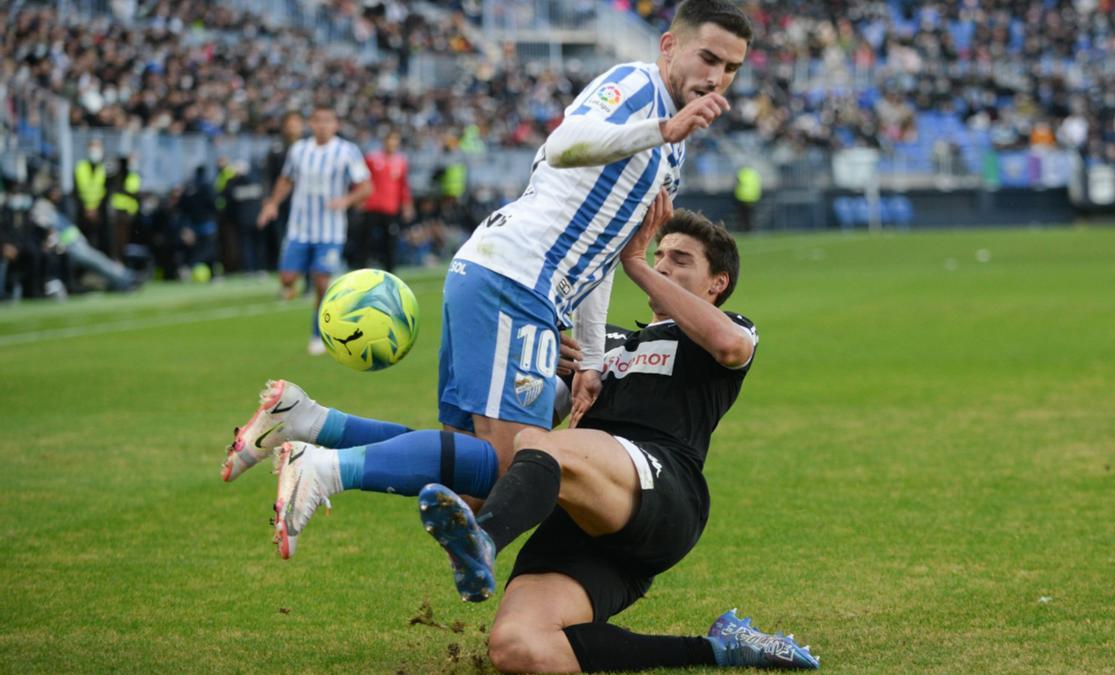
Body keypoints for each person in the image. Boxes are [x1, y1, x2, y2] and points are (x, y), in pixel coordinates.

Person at [224, 0, 752, 554]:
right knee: (513, 467)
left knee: (472, 481)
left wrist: (593, 360)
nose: (716, 78)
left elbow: (605, 254)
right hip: (517, 279)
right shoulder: (638, 89)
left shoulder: (672, 146)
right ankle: (325, 465)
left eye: (731, 68)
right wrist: (661, 127)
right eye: (708, 57)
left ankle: (308, 421)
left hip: (505, 278)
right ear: (670, 46)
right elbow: (564, 143)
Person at [416, 201, 819, 672]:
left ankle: (483, 540)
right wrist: (542, 365)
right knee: (518, 647)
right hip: (585, 513)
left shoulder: (726, 331)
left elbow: (731, 347)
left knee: (543, 448)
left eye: (680, 260)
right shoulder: (599, 344)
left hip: (663, 492)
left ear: (718, 284)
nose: (662, 264)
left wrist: (632, 263)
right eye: (659, 255)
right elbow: (529, 421)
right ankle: (721, 647)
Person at [255, 103, 373, 355]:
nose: (323, 126)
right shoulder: (299, 150)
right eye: (318, 120)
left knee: (321, 283)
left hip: (330, 231)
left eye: (328, 121)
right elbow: (286, 179)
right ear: (311, 123)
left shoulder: (346, 151)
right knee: (287, 278)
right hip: (300, 227)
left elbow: (365, 186)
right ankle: (306, 285)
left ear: (335, 124)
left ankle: (317, 334)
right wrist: (272, 204)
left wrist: (346, 200)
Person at [356, 130, 414, 271]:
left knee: (390, 244)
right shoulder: (372, 158)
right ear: (384, 141)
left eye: (395, 140)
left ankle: (390, 273)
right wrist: (360, 199)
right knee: (365, 242)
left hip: (390, 208)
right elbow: (362, 180)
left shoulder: (401, 162)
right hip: (371, 206)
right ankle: (362, 270)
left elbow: (403, 186)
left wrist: (407, 205)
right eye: (390, 139)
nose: (392, 143)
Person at [259, 111, 304, 272]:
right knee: (284, 239)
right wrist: (269, 199)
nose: (293, 128)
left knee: (307, 239)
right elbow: (268, 175)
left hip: (305, 202)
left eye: (296, 124)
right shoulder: (276, 149)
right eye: (289, 124)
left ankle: (308, 279)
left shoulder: (310, 147)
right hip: (283, 201)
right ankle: (287, 274)